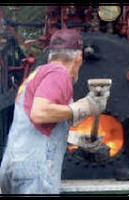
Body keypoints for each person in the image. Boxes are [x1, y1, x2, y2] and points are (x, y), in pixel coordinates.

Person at [0, 28, 108, 194]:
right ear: (78, 57)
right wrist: (83, 107)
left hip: (12, 164)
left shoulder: (36, 75)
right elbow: (40, 113)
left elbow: (33, 125)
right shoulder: (59, 73)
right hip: (35, 169)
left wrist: (76, 139)